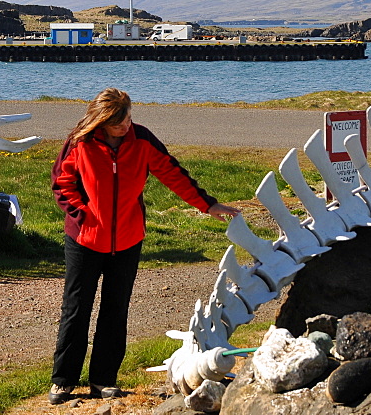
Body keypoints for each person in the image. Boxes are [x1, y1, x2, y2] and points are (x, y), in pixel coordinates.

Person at [48, 88, 240, 404]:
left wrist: (208, 205)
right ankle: (63, 381)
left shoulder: (142, 140)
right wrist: (82, 215)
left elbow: (174, 174)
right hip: (84, 241)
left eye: (128, 118)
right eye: (119, 122)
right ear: (102, 121)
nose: (126, 125)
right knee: (76, 310)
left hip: (127, 241)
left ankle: (103, 380)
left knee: (115, 310)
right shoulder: (80, 142)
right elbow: (61, 182)